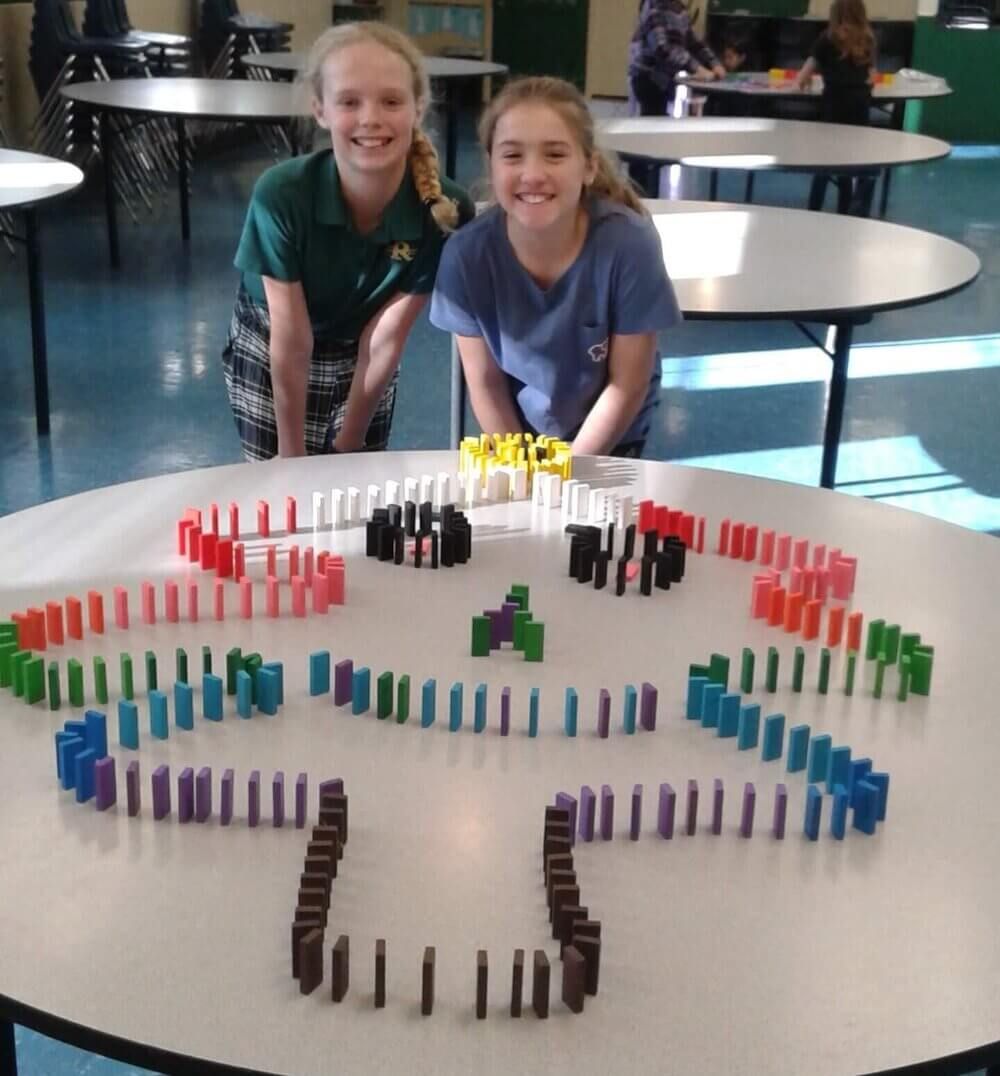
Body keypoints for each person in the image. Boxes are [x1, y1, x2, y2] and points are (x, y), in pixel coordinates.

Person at [223, 23, 474, 460]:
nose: (371, 118)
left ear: (419, 107)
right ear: (320, 109)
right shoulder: (281, 195)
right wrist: (291, 455)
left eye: (391, 101)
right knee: (278, 486)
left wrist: (350, 443)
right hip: (272, 339)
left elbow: (385, 338)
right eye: (349, 101)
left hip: (363, 344)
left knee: (354, 487)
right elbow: (291, 336)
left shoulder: (445, 210)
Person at [429, 77, 682, 458]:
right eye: (512, 156)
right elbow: (486, 384)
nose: (532, 174)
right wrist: (521, 463)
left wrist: (570, 472)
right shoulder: (466, 257)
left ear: (589, 167)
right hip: (521, 427)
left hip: (612, 428)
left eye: (555, 155)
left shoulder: (629, 244)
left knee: (594, 515)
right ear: (491, 166)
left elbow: (626, 385)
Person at [798, 0, 878, 215]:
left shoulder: (827, 38)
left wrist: (804, 82)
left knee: (824, 161)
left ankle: (814, 208)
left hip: (834, 106)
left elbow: (804, 74)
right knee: (851, 161)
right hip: (859, 108)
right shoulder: (867, 39)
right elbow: (872, 77)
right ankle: (846, 210)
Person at [629, 0, 726, 118]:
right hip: (648, 77)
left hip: (666, 77)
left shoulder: (679, 8)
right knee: (653, 122)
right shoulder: (653, 5)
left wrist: (714, 63)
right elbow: (661, 48)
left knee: (664, 121)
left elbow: (693, 42)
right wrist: (697, 68)